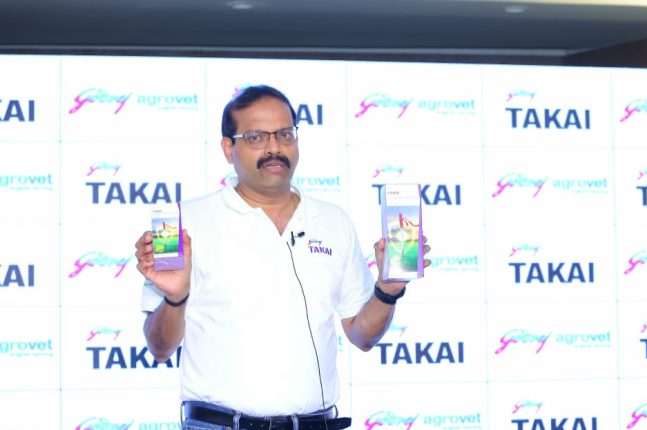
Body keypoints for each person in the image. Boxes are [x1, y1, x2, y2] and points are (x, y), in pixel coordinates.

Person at [134, 85, 430, 430]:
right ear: (228, 148)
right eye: (256, 137)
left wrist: (388, 290)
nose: (274, 148)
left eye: (285, 134)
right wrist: (175, 298)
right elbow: (160, 348)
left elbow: (362, 336)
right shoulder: (184, 223)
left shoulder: (333, 221)